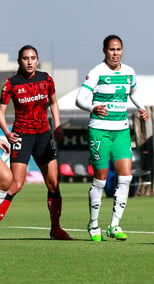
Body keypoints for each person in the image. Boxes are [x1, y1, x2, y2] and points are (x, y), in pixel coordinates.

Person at [76, 34, 149, 242]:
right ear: (104, 51)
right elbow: (79, 99)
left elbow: (133, 92)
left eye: (118, 49)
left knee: (126, 177)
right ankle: (93, 224)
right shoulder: (96, 72)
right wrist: (93, 107)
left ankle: (114, 225)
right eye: (111, 50)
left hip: (121, 131)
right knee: (99, 180)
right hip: (100, 131)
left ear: (122, 50)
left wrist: (142, 107)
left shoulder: (129, 72)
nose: (115, 53)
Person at [0, 45, 72, 240]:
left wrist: (57, 126)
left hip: (43, 136)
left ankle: (56, 228)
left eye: (33, 58)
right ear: (19, 61)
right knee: (16, 184)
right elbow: (1, 113)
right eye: (25, 58)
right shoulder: (11, 84)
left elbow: (54, 102)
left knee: (54, 184)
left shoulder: (46, 79)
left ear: (37, 60)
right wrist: (7, 132)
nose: (29, 61)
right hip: (22, 136)